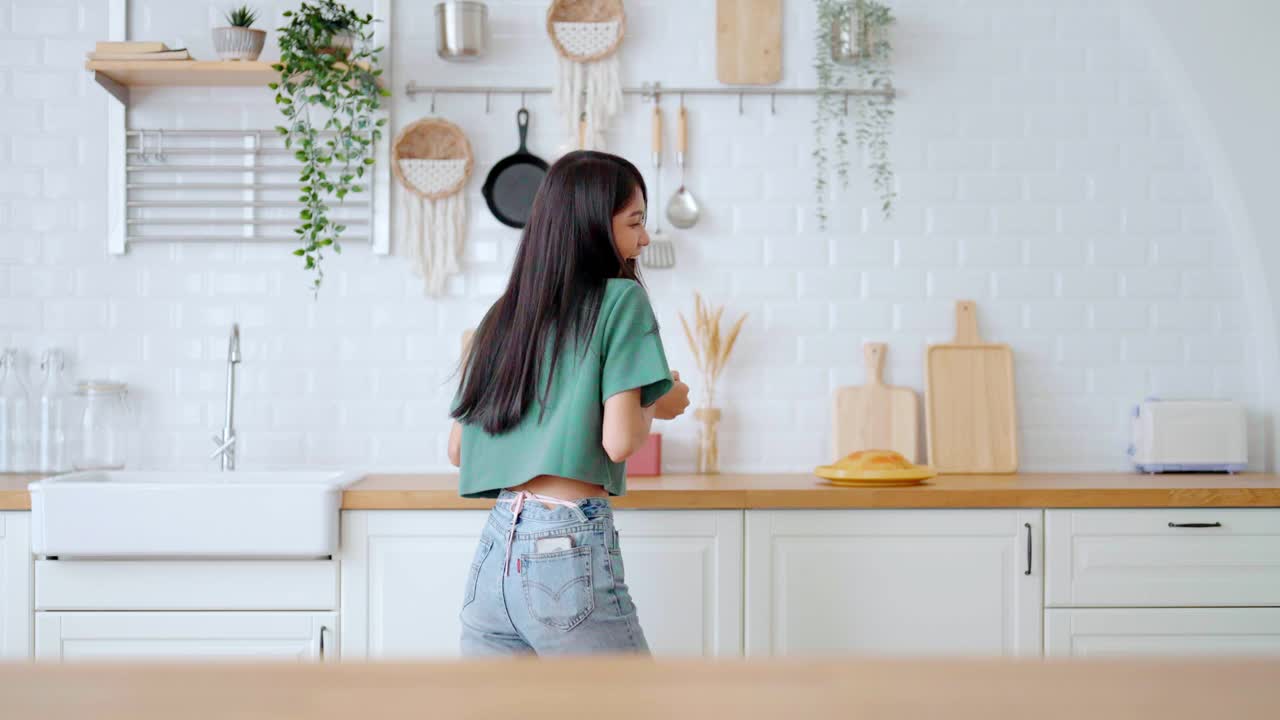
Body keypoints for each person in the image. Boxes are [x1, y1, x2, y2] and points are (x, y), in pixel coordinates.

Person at [448, 150, 691, 656]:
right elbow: (620, 441)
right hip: (563, 550)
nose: (644, 238)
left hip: (496, 552)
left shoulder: (504, 313)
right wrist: (656, 396)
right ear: (592, 226)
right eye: (636, 222)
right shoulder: (622, 300)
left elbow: (458, 449)